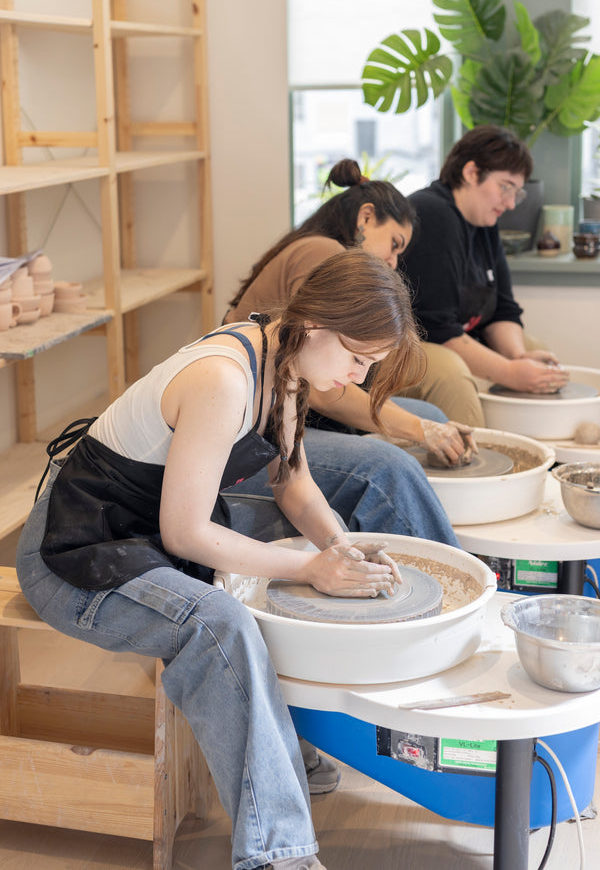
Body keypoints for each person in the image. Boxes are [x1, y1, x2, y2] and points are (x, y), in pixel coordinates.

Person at [17, 252, 428, 870]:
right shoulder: (224, 378)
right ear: (315, 323)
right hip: (75, 553)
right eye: (357, 358)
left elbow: (293, 484)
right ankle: (278, 855)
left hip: (141, 537)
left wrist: (337, 548)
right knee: (219, 623)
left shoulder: (285, 362)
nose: (357, 377)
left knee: (299, 558)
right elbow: (185, 533)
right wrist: (309, 568)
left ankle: (279, 744)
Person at [224, 159, 472, 549]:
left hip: (284, 406)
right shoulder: (324, 254)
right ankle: (446, 572)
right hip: (246, 429)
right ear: (366, 217)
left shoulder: (326, 253)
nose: (394, 262)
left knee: (431, 417)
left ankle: (436, 549)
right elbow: (324, 392)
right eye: (394, 244)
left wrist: (424, 426)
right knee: (389, 468)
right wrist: (418, 430)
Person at [399, 124, 570, 427]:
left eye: (517, 193)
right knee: (451, 372)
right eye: (505, 187)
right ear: (471, 172)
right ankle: (475, 453)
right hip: (402, 346)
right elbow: (435, 329)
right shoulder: (433, 213)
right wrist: (509, 372)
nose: (510, 203)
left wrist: (517, 357)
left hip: (450, 337)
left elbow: (503, 308)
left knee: (534, 350)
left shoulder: (484, 223)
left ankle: (530, 449)